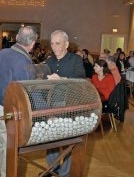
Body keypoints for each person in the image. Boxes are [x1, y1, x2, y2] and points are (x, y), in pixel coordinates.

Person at [0, 26, 38, 177]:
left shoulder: (2, 52)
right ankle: (5, 174)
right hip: (9, 110)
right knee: (9, 146)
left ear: (16, 38)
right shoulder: (25, 62)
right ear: (33, 43)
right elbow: (28, 93)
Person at [45, 30, 86, 177]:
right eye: (52, 43)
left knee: (68, 141)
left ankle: (65, 173)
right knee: (51, 140)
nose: (54, 47)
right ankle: (51, 169)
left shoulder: (75, 59)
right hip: (51, 105)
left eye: (58, 43)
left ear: (66, 44)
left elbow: (81, 79)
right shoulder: (49, 61)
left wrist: (62, 79)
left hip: (69, 105)